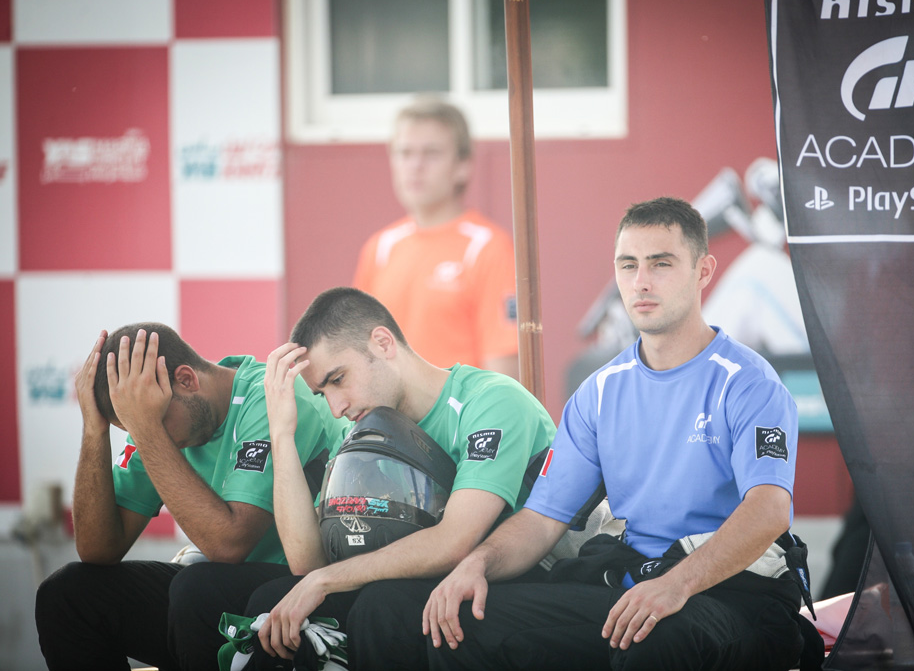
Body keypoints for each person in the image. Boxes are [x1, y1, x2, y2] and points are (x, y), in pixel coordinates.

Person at [346, 197, 810, 671]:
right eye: (627, 265)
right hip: (633, 591)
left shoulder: (747, 382)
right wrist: (477, 563)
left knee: (653, 637)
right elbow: (541, 521)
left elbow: (769, 510)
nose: (641, 281)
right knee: (442, 614)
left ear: (703, 271)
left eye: (661, 263)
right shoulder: (599, 391)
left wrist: (678, 585)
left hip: (734, 597)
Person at [167, 287, 555, 670]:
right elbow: (309, 562)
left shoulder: (489, 400)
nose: (336, 408)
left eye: (338, 379)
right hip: (418, 586)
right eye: (322, 394)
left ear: (383, 343)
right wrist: (281, 434)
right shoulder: (363, 431)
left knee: (378, 606)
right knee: (252, 598)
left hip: (518, 584)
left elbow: (454, 541)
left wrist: (325, 581)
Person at [34, 323, 344, 671]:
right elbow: (97, 549)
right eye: (133, 426)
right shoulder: (153, 418)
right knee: (66, 594)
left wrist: (148, 428)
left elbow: (229, 545)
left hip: (301, 595)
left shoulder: (268, 395)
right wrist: (95, 428)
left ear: (186, 380)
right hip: (212, 601)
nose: (142, 434)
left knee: (197, 587)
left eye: (149, 421)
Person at [353, 97, 519, 377]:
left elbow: (504, 375)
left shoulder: (487, 248)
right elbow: (359, 356)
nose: (415, 165)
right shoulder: (380, 248)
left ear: (463, 165)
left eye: (431, 153)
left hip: (460, 406)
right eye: (405, 153)